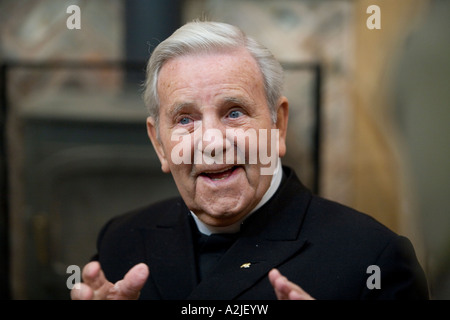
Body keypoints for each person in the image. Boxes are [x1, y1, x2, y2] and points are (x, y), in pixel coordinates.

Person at [70, 20, 428, 300]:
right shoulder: (119, 242)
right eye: (184, 120)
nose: (211, 141)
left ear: (278, 124)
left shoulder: (374, 259)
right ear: (160, 144)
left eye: (234, 112)